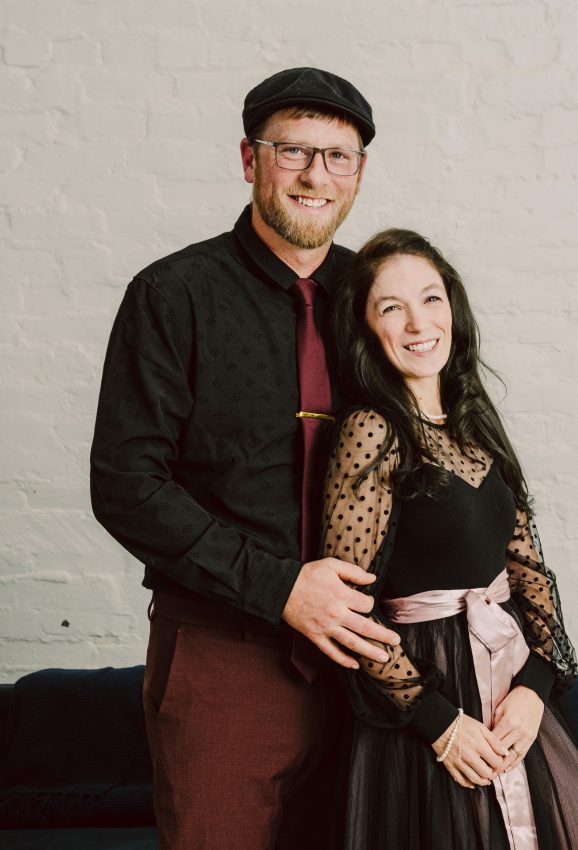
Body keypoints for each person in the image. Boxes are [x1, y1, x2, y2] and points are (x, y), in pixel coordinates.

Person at [89, 67, 401, 850]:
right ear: (249, 159)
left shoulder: (381, 298)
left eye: (339, 156)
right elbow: (126, 485)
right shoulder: (173, 294)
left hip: (371, 661)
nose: (315, 175)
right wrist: (282, 586)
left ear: (360, 172)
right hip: (223, 655)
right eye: (293, 151)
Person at [324, 228, 578, 849]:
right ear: (365, 330)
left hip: (510, 693)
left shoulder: (475, 423)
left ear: (453, 310)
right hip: (429, 705)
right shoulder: (370, 429)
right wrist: (440, 725)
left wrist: (534, 691)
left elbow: (529, 572)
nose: (417, 323)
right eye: (391, 307)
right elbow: (347, 613)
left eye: (431, 299)